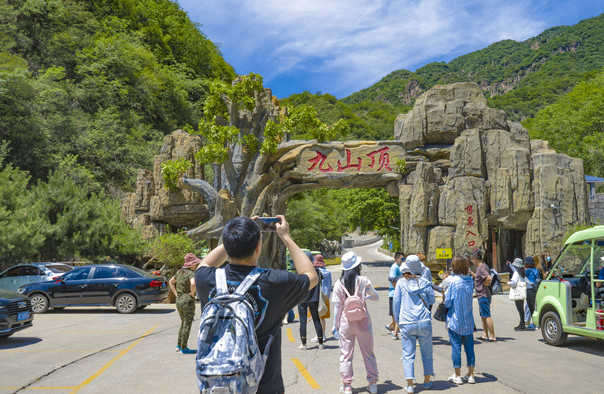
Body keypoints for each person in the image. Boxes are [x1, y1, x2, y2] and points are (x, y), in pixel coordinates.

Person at [195, 215, 318, 394]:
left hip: (217, 384)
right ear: (258, 248)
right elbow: (310, 276)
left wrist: (235, 236)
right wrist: (286, 237)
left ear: (227, 248)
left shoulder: (207, 279)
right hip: (265, 386)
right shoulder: (274, 282)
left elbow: (204, 263)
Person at [332, 251, 379, 394]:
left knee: (346, 354)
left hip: (346, 323)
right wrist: (364, 298)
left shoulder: (339, 283)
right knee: (368, 353)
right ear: (357, 266)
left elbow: (337, 307)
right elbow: (376, 297)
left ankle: (347, 386)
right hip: (363, 322)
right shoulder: (364, 281)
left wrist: (335, 325)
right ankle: (372, 384)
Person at [392, 255, 435, 393]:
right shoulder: (425, 282)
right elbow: (432, 300)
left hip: (406, 322)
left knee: (408, 354)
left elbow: (396, 304)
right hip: (424, 321)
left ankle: (410, 384)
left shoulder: (400, 283)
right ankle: (427, 381)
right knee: (427, 353)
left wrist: (398, 322)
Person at [445, 256, 476, 385]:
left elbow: (447, 302)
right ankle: (471, 374)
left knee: (456, 347)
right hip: (468, 320)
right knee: (469, 348)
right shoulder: (469, 280)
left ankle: (457, 375)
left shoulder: (453, 282)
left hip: (455, 320)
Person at [169, 253, 201, 354]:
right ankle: (184, 348)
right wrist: (192, 294)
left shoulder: (179, 272)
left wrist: (176, 294)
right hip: (187, 301)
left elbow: (171, 282)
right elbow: (193, 283)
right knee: (187, 324)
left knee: (183, 323)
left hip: (179, 300)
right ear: (192, 264)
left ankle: (178, 345)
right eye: (195, 263)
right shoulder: (191, 273)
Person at [298, 251, 324, 350]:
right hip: (314, 298)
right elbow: (321, 281)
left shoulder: (300, 270)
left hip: (302, 298)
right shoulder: (317, 270)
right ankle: (321, 343)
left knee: (303, 321)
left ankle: (303, 344)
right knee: (316, 319)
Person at [472, 250, 496, 341]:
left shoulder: (481, 268)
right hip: (482, 295)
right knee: (483, 315)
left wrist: (485, 284)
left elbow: (489, 278)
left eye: (472, 260)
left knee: (486, 315)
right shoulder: (483, 266)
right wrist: (472, 274)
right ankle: (485, 334)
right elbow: (480, 278)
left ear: (475, 259)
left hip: (483, 294)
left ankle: (492, 335)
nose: (472, 261)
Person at [311, 254, 332, 344]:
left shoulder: (317, 272)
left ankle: (319, 335)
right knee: (323, 316)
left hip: (317, 296)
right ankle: (323, 334)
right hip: (326, 296)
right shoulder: (328, 272)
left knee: (316, 317)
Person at [387, 252, 404, 339]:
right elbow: (392, 280)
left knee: (396, 312)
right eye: (402, 259)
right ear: (397, 258)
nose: (403, 261)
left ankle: (393, 328)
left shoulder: (399, 267)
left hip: (396, 293)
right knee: (395, 313)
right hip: (394, 294)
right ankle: (395, 330)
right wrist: (398, 291)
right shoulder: (395, 267)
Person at [508, 258, 528, 331]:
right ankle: (522, 323)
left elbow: (513, 282)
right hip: (521, 292)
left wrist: (508, 283)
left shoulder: (516, 273)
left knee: (519, 309)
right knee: (521, 309)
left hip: (517, 292)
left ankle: (522, 324)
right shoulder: (522, 273)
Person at [524, 256, 542, 330]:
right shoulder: (536, 270)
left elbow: (523, 276)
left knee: (531, 306)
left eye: (526, 263)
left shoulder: (528, 271)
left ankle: (534, 323)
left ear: (529, 264)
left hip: (529, 289)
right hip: (535, 289)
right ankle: (536, 322)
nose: (525, 265)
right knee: (535, 306)